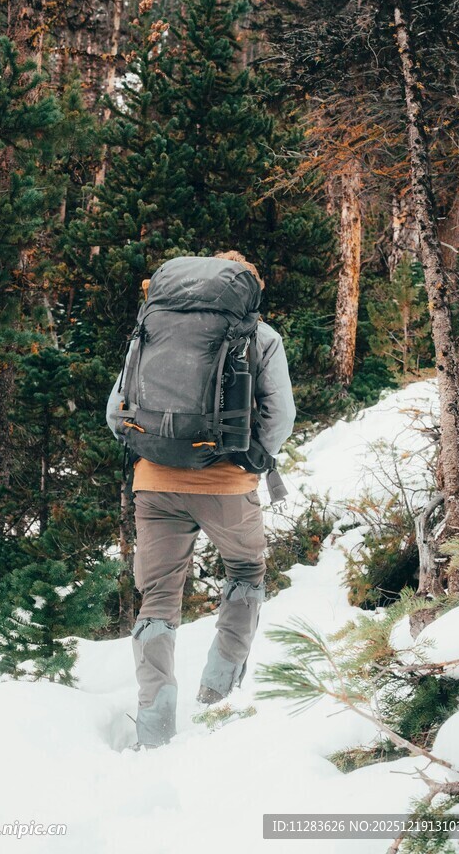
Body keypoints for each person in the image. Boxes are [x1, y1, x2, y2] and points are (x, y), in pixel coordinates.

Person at [106, 251, 296, 750]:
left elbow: (115, 411)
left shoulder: (153, 327)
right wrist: (251, 461)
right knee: (246, 574)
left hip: (154, 484)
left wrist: (155, 451)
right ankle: (218, 699)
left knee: (159, 598)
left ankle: (154, 726)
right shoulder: (260, 336)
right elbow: (280, 417)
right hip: (227, 487)